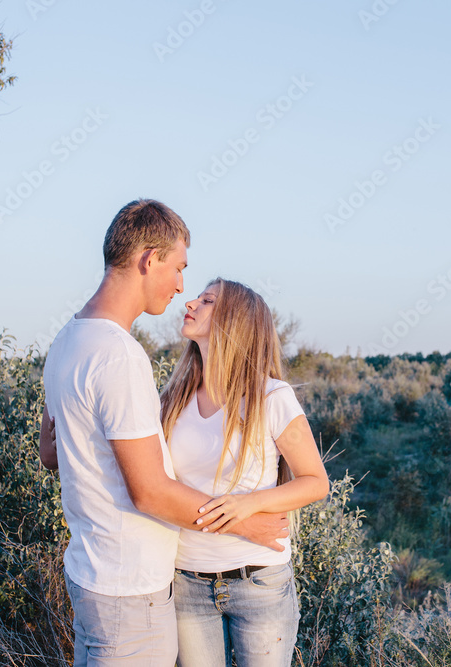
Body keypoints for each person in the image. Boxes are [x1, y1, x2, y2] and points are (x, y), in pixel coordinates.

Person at [39, 200, 288, 667]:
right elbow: (150, 492)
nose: (180, 286)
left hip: (93, 574)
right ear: (149, 259)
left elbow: (52, 455)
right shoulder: (119, 355)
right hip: (127, 587)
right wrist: (243, 522)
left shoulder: (67, 339)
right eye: (178, 268)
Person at [161, 278, 329, 667]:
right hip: (187, 581)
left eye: (206, 300)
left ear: (233, 321)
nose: (189, 303)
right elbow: (155, 485)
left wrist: (247, 505)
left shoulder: (272, 396)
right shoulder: (172, 399)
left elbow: (315, 482)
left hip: (259, 581)